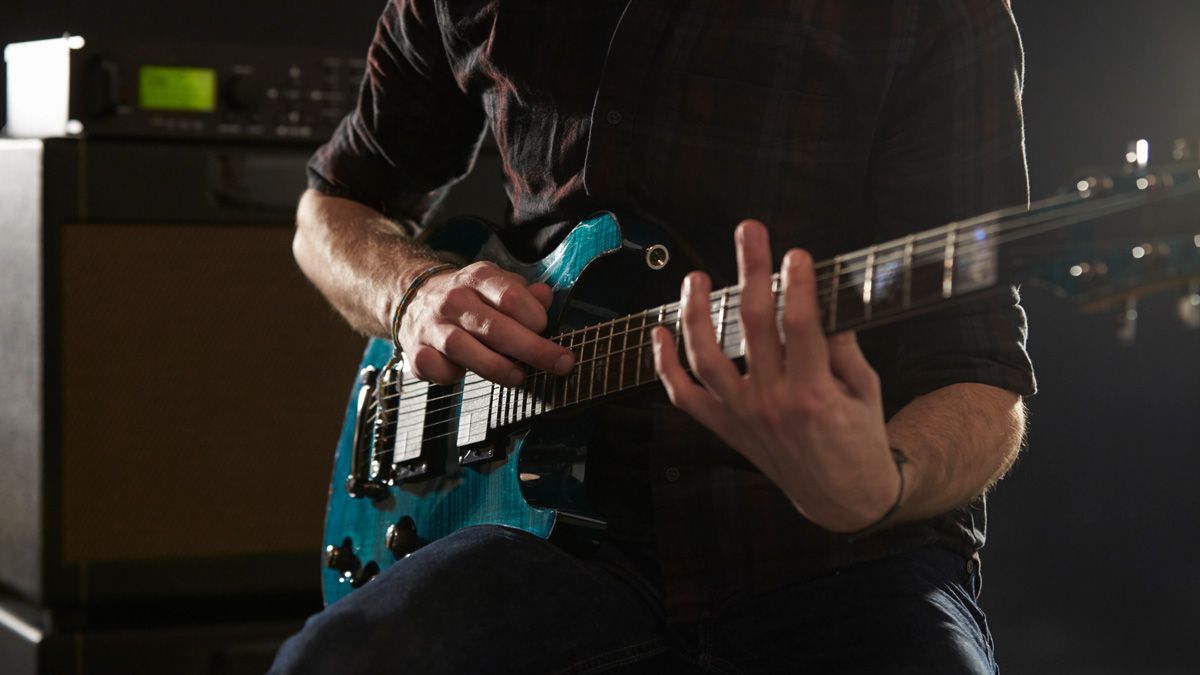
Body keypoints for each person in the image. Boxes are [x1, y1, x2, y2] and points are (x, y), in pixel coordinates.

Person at [270, 0, 1035, 672]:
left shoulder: (930, 11)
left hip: (835, 554)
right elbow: (329, 211)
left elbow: (981, 375)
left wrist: (882, 484)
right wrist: (412, 294)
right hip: (538, 528)